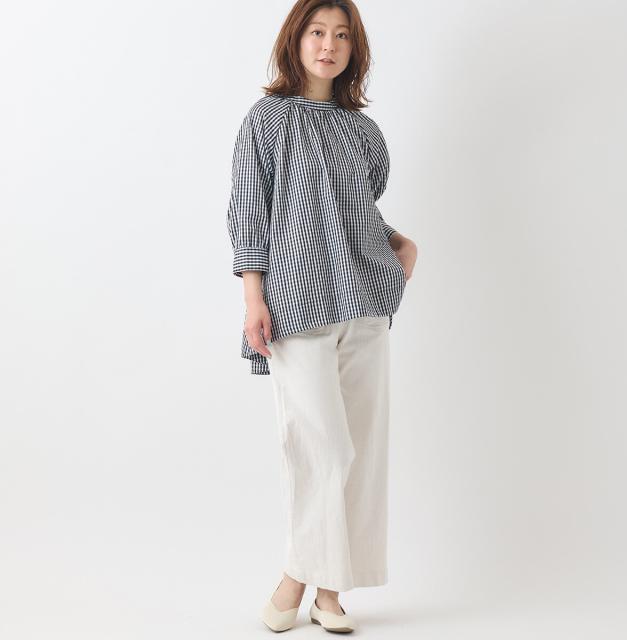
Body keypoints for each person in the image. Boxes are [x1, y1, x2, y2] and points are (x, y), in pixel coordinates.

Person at [226, 0, 418, 633]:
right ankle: (295, 577)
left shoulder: (364, 132)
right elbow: (250, 211)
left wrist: (401, 246)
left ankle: (330, 592)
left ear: (353, 48)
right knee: (321, 448)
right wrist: (253, 297)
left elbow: (356, 211)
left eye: (341, 35)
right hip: (296, 306)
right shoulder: (267, 120)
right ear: (296, 39)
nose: (328, 44)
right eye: (317, 32)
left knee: (361, 451)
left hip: (363, 305)